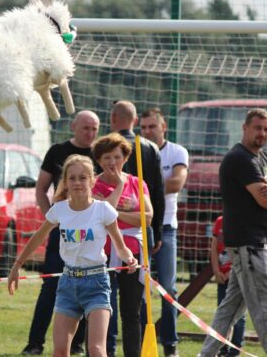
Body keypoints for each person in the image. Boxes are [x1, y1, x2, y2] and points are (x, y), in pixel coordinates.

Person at [8, 154, 138, 357]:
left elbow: (120, 246)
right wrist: (17, 265)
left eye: (83, 177)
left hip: (97, 283)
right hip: (68, 283)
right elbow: (38, 237)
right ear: (65, 182)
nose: (77, 182)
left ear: (93, 180)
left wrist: (129, 258)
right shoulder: (59, 210)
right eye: (72, 178)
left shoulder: (103, 210)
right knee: (59, 351)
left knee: (96, 350)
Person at [199, 108, 267, 357]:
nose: (262, 133)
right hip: (249, 245)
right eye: (258, 128)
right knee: (264, 306)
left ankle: (205, 355)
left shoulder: (263, 158)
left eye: (266, 129)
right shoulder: (241, 158)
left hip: (255, 243)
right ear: (245, 128)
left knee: (230, 309)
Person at [22, 110, 100, 356]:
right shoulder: (56, 151)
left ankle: (77, 343)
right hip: (62, 234)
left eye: (94, 129)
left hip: (89, 234)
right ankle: (35, 343)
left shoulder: (99, 155)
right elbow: (41, 189)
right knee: (51, 286)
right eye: (86, 128)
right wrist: (52, 220)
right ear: (74, 127)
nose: (90, 133)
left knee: (88, 284)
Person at [108, 100, 164, 356]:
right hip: (139, 237)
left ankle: (107, 348)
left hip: (120, 235)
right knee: (135, 304)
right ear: (134, 120)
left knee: (107, 302)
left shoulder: (105, 144)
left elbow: (153, 200)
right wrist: (158, 234)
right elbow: (160, 194)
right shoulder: (151, 147)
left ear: (113, 118)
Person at [92, 133, 153, 357]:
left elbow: (147, 218)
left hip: (132, 254)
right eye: (106, 157)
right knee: (101, 309)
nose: (112, 162)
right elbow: (98, 217)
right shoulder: (92, 184)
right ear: (99, 160)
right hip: (101, 254)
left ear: (125, 157)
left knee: (131, 311)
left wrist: (117, 212)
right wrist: (125, 212)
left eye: (117, 157)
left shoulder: (138, 183)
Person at [139, 107, 188, 357]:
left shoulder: (177, 151)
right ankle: (138, 342)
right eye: (144, 127)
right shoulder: (136, 149)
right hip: (138, 227)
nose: (148, 131)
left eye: (152, 127)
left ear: (163, 126)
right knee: (139, 288)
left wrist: (144, 190)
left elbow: (177, 182)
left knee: (168, 288)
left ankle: (170, 344)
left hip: (166, 227)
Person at [210, 216, 246, 357]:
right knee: (222, 312)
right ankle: (222, 348)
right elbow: (213, 248)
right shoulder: (219, 221)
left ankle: (235, 349)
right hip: (222, 277)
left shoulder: (242, 222)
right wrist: (216, 270)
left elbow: (243, 251)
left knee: (238, 315)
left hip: (237, 275)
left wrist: (233, 272)